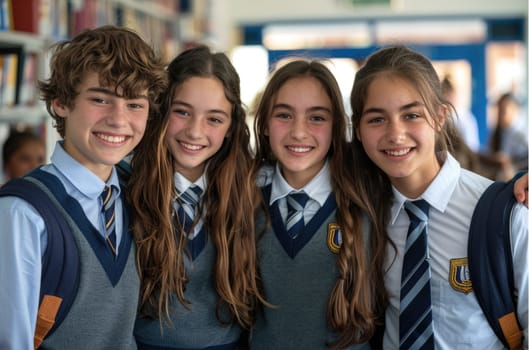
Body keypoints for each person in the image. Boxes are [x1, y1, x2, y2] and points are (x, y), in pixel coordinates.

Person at [349, 45, 527, 349]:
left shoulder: (504, 212)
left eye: (412, 115)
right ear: (359, 129)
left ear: (441, 115)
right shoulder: (362, 210)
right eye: (377, 119)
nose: (396, 133)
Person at [0, 25, 167, 349]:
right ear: (62, 102)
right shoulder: (22, 213)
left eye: (134, 104)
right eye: (100, 99)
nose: (119, 120)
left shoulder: (138, 194)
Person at [129, 45, 266, 349]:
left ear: (231, 127)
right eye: (182, 112)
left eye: (214, 119)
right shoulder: (126, 186)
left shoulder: (251, 191)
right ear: (161, 110)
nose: (194, 131)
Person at [249, 59, 387, 349]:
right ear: (264, 125)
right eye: (284, 115)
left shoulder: (370, 190)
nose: (299, 132)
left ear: (337, 126)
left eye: (317, 118)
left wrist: (508, 187)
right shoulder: (241, 194)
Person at [487, 92, 528, 173]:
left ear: (515, 110)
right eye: (498, 111)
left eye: (503, 111)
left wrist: (509, 162)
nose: (499, 115)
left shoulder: (524, 134)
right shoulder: (496, 132)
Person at [441, 75, 480, 151]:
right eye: (444, 95)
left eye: (448, 95)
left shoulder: (465, 118)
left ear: (454, 95)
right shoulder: (440, 117)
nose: (446, 99)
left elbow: (472, 147)